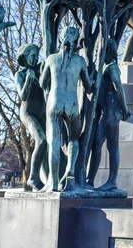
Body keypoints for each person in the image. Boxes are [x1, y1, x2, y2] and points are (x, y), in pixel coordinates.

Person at [39, 26, 92, 191]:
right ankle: (70, 167)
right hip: (72, 104)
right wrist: (93, 79)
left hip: (54, 102)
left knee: (53, 142)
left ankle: (52, 182)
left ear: (62, 39)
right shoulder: (80, 61)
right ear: (76, 41)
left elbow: (42, 83)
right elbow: (88, 86)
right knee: (73, 139)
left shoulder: (51, 59)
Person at [87, 39, 130, 191]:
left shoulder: (112, 67)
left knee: (112, 146)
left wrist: (125, 108)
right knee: (96, 144)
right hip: (106, 111)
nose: (99, 53)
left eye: (101, 50)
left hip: (112, 111)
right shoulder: (103, 68)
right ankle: (89, 180)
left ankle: (112, 181)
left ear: (108, 51)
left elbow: (118, 85)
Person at [15, 44, 47, 191]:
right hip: (28, 113)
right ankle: (33, 178)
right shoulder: (20, 75)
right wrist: (28, 80)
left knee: (48, 145)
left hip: (43, 112)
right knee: (41, 140)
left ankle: (49, 178)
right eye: (32, 55)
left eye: (36, 55)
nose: (35, 58)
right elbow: (23, 95)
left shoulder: (40, 69)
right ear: (24, 57)